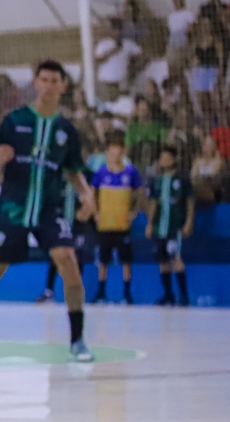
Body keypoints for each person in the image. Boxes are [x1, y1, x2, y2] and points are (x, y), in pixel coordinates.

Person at [0, 60, 98, 362]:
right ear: (36, 83)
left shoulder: (66, 129)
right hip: (13, 207)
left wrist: (87, 194)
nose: (48, 85)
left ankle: (77, 340)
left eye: (54, 81)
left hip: (50, 207)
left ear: (63, 86)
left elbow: (73, 170)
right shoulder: (15, 119)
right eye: (43, 79)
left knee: (67, 259)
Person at [90, 131, 142, 305]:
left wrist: (134, 211)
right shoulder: (101, 173)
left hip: (122, 224)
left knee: (126, 260)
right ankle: (101, 293)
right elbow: (93, 193)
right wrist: (95, 212)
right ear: (107, 153)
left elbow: (140, 193)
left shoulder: (130, 172)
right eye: (112, 152)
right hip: (104, 224)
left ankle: (127, 294)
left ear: (123, 153)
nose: (115, 156)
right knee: (103, 260)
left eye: (118, 152)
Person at [36, 164, 95, 304]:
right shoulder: (56, 170)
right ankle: (49, 291)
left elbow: (93, 194)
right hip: (60, 220)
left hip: (79, 223)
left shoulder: (88, 174)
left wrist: (87, 211)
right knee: (56, 254)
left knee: (77, 257)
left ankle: (76, 291)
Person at [146, 145, 194, 306]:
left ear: (174, 159)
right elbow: (153, 203)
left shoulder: (182, 178)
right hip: (160, 226)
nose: (164, 160)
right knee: (162, 260)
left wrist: (188, 222)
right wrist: (150, 224)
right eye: (162, 158)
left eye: (167, 158)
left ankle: (184, 295)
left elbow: (190, 201)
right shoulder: (157, 179)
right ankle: (168, 294)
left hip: (174, 225)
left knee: (176, 258)